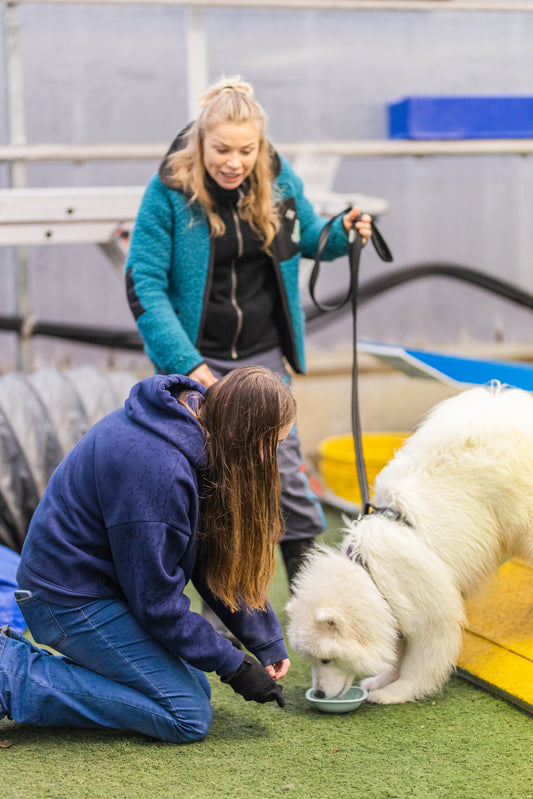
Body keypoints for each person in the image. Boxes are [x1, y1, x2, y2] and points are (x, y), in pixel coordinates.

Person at [125, 75, 373, 589]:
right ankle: (214, 614)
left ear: (260, 146)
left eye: (246, 149)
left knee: (283, 476)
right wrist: (187, 364)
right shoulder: (168, 192)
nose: (234, 162)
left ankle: (306, 595)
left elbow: (309, 236)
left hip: (263, 360)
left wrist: (344, 232)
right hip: (196, 364)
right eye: (221, 149)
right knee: (207, 484)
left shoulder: (278, 182)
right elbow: (143, 283)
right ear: (200, 141)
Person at [0, 365, 294, 743]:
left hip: (104, 586)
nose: (274, 457)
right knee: (186, 715)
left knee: (194, 688)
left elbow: (210, 553)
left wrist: (265, 641)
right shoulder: (162, 470)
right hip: (65, 598)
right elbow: (156, 603)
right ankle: (10, 675)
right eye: (275, 445)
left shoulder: (199, 421)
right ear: (249, 436)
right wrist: (233, 666)